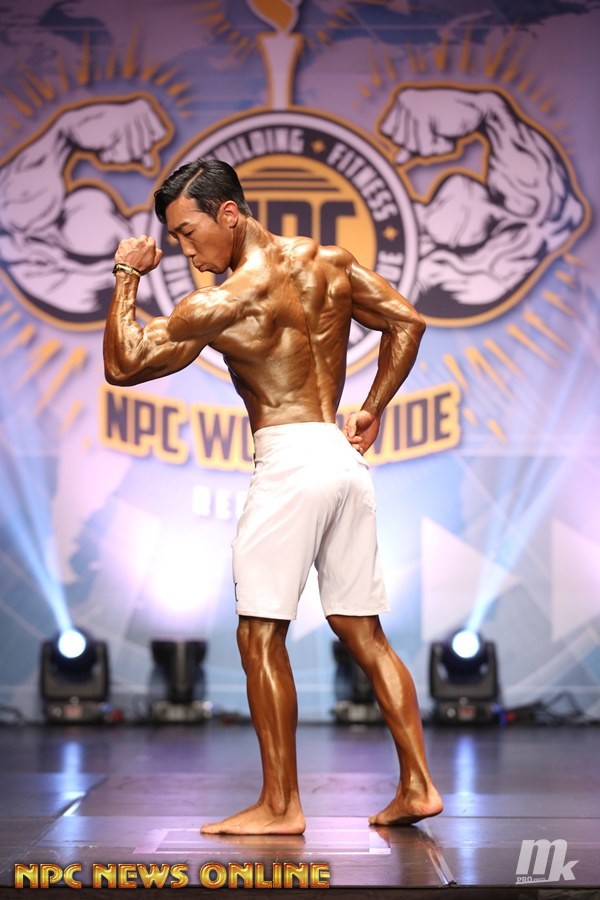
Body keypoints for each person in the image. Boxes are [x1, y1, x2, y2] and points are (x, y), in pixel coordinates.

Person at [103, 158, 443, 835]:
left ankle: (281, 806)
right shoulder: (328, 262)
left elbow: (123, 363)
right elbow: (407, 322)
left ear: (229, 213)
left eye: (188, 231)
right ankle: (418, 786)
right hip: (341, 459)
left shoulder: (224, 301)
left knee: (259, 635)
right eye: (174, 238)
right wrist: (372, 407)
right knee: (364, 633)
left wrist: (127, 275)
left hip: (289, 464)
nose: (184, 248)